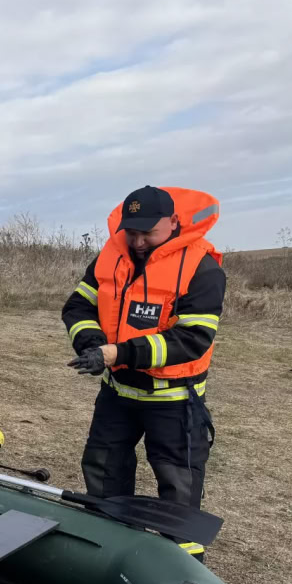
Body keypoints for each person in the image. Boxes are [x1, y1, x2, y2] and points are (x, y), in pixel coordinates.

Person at [62, 185, 226, 556]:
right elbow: (77, 306)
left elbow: (191, 338)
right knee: (103, 470)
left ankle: (185, 574)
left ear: (172, 222)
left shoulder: (202, 267)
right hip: (116, 394)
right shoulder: (110, 257)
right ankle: (105, 548)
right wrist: (91, 343)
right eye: (131, 231)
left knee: (178, 485)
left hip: (174, 400)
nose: (136, 241)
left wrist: (118, 352)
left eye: (146, 232)